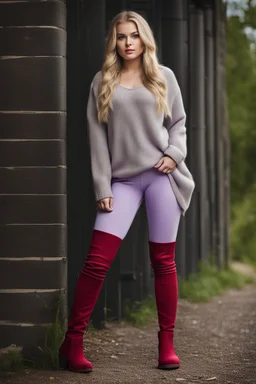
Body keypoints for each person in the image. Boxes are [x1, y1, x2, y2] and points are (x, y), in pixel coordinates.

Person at [59, 10, 195, 373]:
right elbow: (96, 139)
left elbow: (179, 123)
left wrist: (173, 154)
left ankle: (166, 343)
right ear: (114, 42)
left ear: (144, 38)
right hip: (123, 182)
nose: (128, 42)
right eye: (121, 36)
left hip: (161, 176)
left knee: (164, 263)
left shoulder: (163, 77)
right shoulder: (102, 81)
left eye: (134, 35)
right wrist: (102, 186)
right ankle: (72, 342)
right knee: (96, 262)